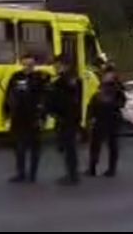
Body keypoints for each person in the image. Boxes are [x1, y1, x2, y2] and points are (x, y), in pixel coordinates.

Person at [2, 53, 50, 183]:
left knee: (35, 147)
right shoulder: (16, 77)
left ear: (34, 65)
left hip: (34, 117)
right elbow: (8, 95)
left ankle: (33, 174)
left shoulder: (40, 78)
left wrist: (43, 117)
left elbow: (45, 98)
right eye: (25, 64)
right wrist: (6, 113)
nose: (27, 67)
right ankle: (21, 173)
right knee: (19, 147)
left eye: (30, 65)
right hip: (18, 117)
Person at [48, 55, 83, 185]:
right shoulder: (64, 80)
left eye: (58, 66)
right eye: (55, 66)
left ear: (65, 65)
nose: (55, 68)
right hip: (64, 118)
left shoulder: (69, 80)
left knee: (69, 148)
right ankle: (71, 173)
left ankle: (72, 175)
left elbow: (67, 100)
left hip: (68, 119)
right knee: (66, 147)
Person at [86, 65, 126, 177]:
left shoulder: (117, 89)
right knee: (95, 144)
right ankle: (92, 167)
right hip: (100, 118)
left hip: (111, 118)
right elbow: (93, 103)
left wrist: (110, 104)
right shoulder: (100, 89)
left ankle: (111, 169)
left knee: (112, 144)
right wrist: (90, 116)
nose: (106, 76)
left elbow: (121, 103)